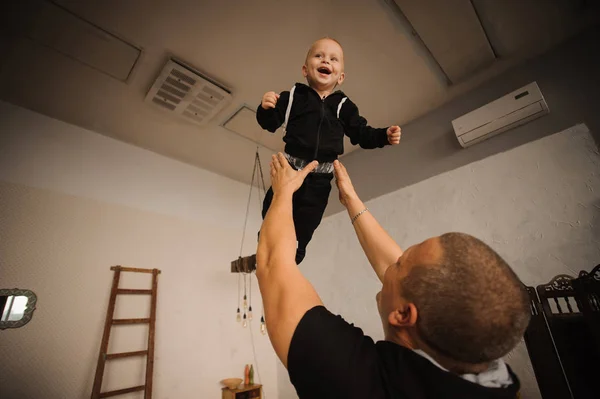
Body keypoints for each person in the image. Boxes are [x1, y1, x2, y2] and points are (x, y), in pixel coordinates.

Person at [256, 153, 531, 399]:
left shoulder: (353, 381)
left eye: (401, 264)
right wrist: (351, 199)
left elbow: (273, 264)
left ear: (403, 316)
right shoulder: (494, 378)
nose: (393, 262)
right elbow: (408, 279)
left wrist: (283, 191)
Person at [256, 37, 401, 264]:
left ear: (340, 77)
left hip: (320, 178)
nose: (326, 60)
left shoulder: (344, 106)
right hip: (290, 169)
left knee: (309, 217)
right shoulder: (293, 97)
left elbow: (361, 134)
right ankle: (265, 240)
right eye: (319, 56)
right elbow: (269, 122)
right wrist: (265, 108)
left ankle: (298, 249)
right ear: (305, 69)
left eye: (334, 59)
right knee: (273, 207)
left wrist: (384, 136)